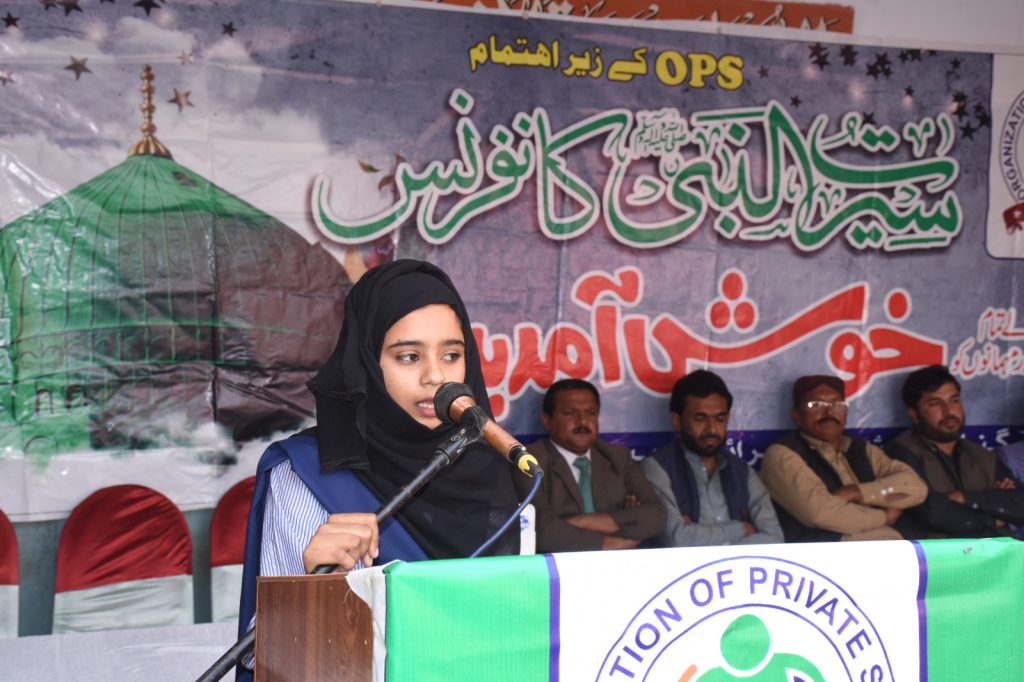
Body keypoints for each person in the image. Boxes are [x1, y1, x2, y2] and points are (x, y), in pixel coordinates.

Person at [236, 260, 520, 674]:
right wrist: (316, 590)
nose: (436, 376)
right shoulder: (307, 473)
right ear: (367, 362)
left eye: (452, 355)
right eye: (409, 356)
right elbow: (264, 655)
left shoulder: (488, 466)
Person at [759, 375, 926, 542]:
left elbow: (916, 487)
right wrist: (883, 517)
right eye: (816, 405)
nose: (829, 412)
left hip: (889, 546)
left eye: (837, 404)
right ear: (796, 415)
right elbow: (820, 513)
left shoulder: (861, 449)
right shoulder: (782, 454)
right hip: (824, 554)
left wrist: (858, 492)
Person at [513, 379, 665, 552]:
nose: (583, 422)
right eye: (570, 413)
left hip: (620, 564)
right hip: (558, 565)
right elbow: (540, 531)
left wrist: (579, 521)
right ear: (547, 420)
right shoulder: (528, 461)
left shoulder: (618, 457)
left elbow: (656, 517)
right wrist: (610, 541)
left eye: (591, 413)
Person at [642, 370, 782, 546]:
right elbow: (677, 539)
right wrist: (740, 529)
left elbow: (774, 538)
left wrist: (700, 537)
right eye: (700, 419)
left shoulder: (741, 471)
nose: (712, 429)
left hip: (738, 564)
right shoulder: (658, 467)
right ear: (677, 420)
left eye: (720, 419)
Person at [884, 365, 1024, 538]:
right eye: (935, 403)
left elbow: (1020, 504)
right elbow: (931, 513)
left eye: (954, 400)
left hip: (994, 550)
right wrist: (994, 517)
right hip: (935, 552)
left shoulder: (981, 455)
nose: (949, 411)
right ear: (913, 414)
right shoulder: (899, 452)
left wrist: (964, 497)